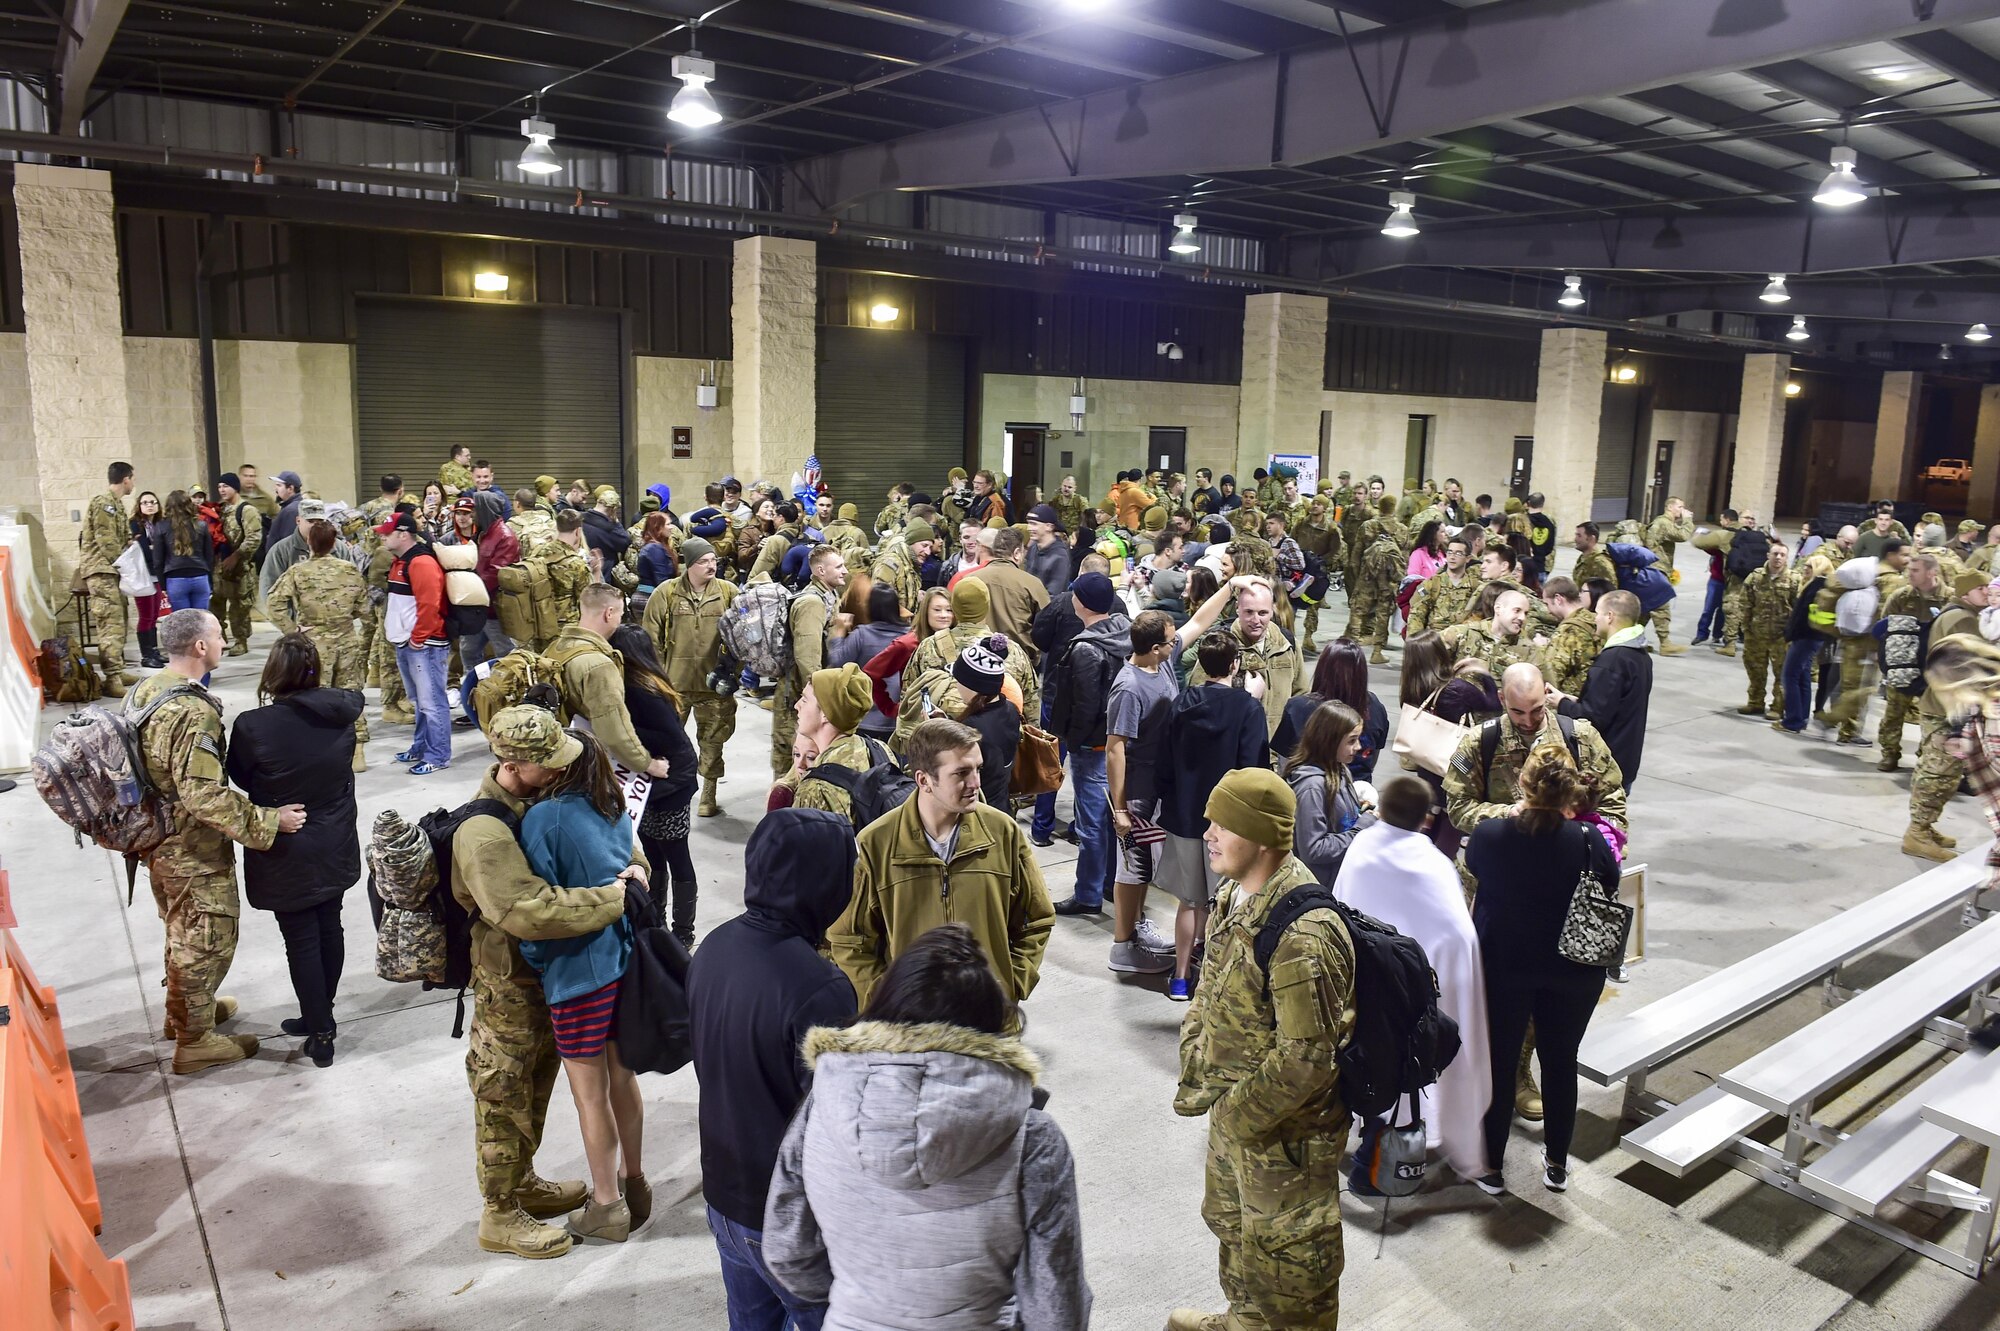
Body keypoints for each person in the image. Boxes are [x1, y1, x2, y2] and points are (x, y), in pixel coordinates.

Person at [764, 924, 1090, 1329]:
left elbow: (787, 1253)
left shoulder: (824, 1101)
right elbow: (1056, 1310)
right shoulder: (1034, 1139)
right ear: (990, 1026)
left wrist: (862, 1299)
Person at [453, 705, 645, 1259]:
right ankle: (499, 1212)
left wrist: (633, 869)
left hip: (551, 976)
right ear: (511, 765)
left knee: (537, 1086)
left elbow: (616, 844)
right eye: (547, 762)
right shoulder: (484, 830)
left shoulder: (543, 801)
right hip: (508, 986)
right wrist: (614, 898)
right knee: (502, 1092)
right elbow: (526, 911)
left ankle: (522, 1182)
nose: (561, 767)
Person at [1169, 768, 1355, 1331]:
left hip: (1285, 1139)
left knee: (1291, 1271)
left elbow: (1305, 1062)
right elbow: (1210, 985)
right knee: (1233, 1229)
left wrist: (1231, 1115)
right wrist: (1196, 1053)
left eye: (1222, 824)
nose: (1208, 833)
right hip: (1238, 1117)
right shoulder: (1234, 893)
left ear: (1262, 836)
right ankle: (1243, 1320)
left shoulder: (1306, 936)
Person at [689, 810, 857, 1331]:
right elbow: (838, 1126)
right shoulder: (820, 988)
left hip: (724, 1193)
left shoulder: (715, 945)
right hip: (789, 1216)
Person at [133, 610, 308, 1074]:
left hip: (159, 840)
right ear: (199, 647)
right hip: (191, 849)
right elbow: (203, 795)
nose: (224, 642)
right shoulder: (193, 712)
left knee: (180, 931)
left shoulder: (150, 688)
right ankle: (194, 1042)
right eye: (218, 635)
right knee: (205, 940)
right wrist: (267, 822)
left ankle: (185, 1013)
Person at [1466, 745, 1622, 1196]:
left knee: (1499, 1063)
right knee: (1559, 1062)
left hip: (1504, 965)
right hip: (1573, 968)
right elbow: (1610, 880)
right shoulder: (1589, 839)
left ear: (1522, 783)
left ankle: (1491, 1168)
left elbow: (1475, 869)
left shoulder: (1491, 835)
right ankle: (1556, 1164)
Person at [515, 729, 643, 1243]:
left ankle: (607, 1206)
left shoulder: (544, 819)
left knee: (590, 1097)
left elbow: (536, 911)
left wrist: (536, 964)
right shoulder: (613, 807)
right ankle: (635, 1183)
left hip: (577, 974)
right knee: (623, 1081)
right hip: (622, 961)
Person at [828, 718, 1054, 1007]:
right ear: (924, 780)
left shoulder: (1003, 833)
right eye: (961, 773)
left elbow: (1037, 918)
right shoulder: (877, 844)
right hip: (911, 1027)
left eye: (977, 769)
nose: (976, 783)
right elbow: (849, 939)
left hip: (989, 1019)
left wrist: (1012, 983)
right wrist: (887, 1001)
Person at [1333, 776, 1490, 1186]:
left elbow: (1342, 913)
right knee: (1403, 1065)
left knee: (1369, 1059)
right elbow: (1458, 936)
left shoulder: (1361, 849)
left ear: (1381, 810)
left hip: (1367, 988)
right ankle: (1381, 1159)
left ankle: (1370, 1149)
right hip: (1416, 994)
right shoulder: (1435, 866)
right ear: (1426, 819)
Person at [225, 633, 362, 1066]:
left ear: (273, 672)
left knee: (301, 939)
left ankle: (320, 1030)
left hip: (287, 842)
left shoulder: (253, 725)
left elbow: (240, 776)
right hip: (334, 836)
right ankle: (322, 1013)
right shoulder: (343, 713)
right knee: (330, 927)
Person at [1157, 631, 1271, 1000]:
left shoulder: (1181, 702)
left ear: (1203, 664)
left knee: (1190, 901)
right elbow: (1254, 769)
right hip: (1229, 822)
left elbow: (1164, 761)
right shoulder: (1248, 709)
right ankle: (1213, 981)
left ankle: (1179, 977)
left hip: (1186, 816)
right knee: (1226, 903)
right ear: (1235, 664)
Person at [1047, 572, 1133, 917]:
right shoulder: (1124, 632)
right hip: (1121, 744)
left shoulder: (1085, 648)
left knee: (1091, 825)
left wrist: (1074, 742)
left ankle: (1088, 894)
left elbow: (1085, 706)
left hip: (1093, 749)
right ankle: (1111, 883)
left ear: (1079, 602)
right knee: (1115, 819)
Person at [609, 625, 700, 942]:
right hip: (648, 784)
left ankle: (683, 933)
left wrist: (619, 733)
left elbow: (671, 738)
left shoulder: (643, 689)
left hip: (672, 783)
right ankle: (656, 923)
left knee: (676, 856)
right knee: (652, 855)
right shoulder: (644, 681)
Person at [641, 536, 739, 817]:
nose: (711, 566)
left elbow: (744, 637)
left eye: (713, 560)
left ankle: (709, 793)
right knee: (668, 741)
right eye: (704, 561)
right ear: (690, 564)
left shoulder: (728, 592)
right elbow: (650, 638)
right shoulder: (667, 593)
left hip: (714, 686)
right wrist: (658, 678)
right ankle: (671, 791)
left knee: (713, 741)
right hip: (675, 686)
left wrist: (734, 671)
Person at [266, 518, 372, 767]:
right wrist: (344, 617)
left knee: (314, 695)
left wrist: (292, 630)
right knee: (350, 694)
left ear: (309, 542)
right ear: (334, 543)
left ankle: (319, 748)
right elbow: (365, 607)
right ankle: (357, 752)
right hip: (347, 640)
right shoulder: (349, 570)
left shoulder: (298, 571)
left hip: (312, 644)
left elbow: (274, 603)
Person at [1902, 574, 1990, 857]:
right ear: (1965, 593)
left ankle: (1924, 826)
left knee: (1942, 772)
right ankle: (1917, 834)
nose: (1987, 592)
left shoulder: (1962, 614)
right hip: (1947, 709)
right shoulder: (1962, 619)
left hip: (1944, 705)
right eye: (1980, 588)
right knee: (1938, 773)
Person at [1399, 631, 1500, 859]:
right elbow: (1494, 708)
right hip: (1453, 765)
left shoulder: (1413, 686)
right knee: (1450, 821)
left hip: (1426, 763)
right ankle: (1440, 863)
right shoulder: (1457, 689)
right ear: (1439, 655)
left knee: (1431, 818)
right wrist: (1485, 675)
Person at [1550, 589, 1654, 790]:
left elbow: (1592, 718)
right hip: (1626, 759)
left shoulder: (1612, 661)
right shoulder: (1640, 655)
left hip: (1604, 766)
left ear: (1609, 616)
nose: (1594, 618)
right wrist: (1576, 700)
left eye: (1597, 613)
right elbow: (1615, 705)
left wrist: (1560, 703)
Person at [377, 510, 454, 774]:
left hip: (425, 646)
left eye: (387, 533)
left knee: (432, 702)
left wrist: (418, 639)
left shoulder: (421, 563)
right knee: (420, 701)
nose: (383, 537)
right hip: (409, 644)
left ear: (403, 535)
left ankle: (438, 755)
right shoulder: (401, 561)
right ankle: (421, 747)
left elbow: (430, 605)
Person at [1185, 578, 1305, 735]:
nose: (1256, 620)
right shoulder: (1221, 646)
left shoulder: (1286, 644)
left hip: (1276, 746)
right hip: (1236, 743)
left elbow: (1301, 693)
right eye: (1249, 612)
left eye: (1263, 613)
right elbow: (1199, 699)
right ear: (1237, 608)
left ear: (1272, 610)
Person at [771, 545, 850, 778]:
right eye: (839, 566)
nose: (845, 571)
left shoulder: (829, 596)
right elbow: (808, 656)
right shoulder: (812, 603)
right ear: (820, 571)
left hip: (808, 693)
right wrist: (818, 696)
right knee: (791, 757)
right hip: (799, 694)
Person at [1282, 700, 1375, 886]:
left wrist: (1359, 810)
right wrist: (1361, 827)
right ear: (1329, 741)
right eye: (1351, 740)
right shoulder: (1311, 788)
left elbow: (1340, 822)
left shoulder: (1340, 769)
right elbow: (1314, 849)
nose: (1358, 747)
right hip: (1319, 885)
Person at [1273, 639, 1388, 781]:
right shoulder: (1375, 707)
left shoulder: (1299, 708)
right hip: (1358, 789)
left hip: (1308, 787)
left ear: (1322, 669)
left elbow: (1285, 762)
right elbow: (1372, 758)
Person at [791, 663, 886, 825]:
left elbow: (803, 840)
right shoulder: (880, 750)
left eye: (805, 700)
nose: (797, 705)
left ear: (826, 714)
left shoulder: (816, 788)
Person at [952, 636, 1023, 810]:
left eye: (958, 680)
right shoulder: (1010, 709)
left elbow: (956, 776)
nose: (957, 686)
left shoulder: (972, 727)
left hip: (978, 809)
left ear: (972, 684)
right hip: (1001, 804)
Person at [829, 584, 906, 741]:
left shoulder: (862, 635)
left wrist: (839, 632)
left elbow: (837, 662)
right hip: (898, 716)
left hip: (864, 717)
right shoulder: (910, 637)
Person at [210, 472, 264, 657]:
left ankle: (241, 640)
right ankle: (220, 637)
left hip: (239, 568)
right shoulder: (221, 510)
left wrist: (236, 556)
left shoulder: (246, 510)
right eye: (219, 486)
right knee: (215, 605)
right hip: (219, 568)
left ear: (235, 487)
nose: (222, 490)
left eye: (226, 486)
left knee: (239, 607)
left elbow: (254, 538)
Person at [159, 488, 216, 616]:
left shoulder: (162, 527)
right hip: (200, 576)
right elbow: (209, 556)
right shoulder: (201, 525)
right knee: (201, 620)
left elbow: (158, 560)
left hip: (175, 578)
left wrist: (163, 585)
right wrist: (209, 579)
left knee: (183, 621)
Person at [265, 470, 303, 555]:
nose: (276, 489)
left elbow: (288, 543)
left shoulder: (291, 510)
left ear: (290, 489)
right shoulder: (290, 507)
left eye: (279, 485)